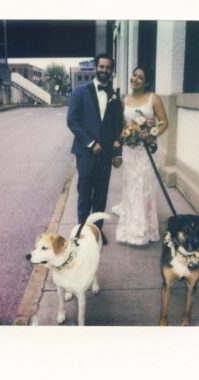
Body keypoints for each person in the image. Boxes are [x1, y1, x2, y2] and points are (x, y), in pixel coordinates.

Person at [66, 53, 125, 244]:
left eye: (108, 68)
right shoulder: (80, 91)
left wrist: (117, 153)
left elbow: (118, 127)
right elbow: (72, 121)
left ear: (111, 70)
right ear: (95, 67)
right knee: (84, 193)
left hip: (106, 154)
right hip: (85, 153)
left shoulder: (114, 97)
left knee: (101, 195)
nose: (104, 70)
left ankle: (96, 232)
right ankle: (81, 232)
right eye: (101, 67)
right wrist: (91, 143)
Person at [112, 66, 168, 245]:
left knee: (144, 188)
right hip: (130, 150)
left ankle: (145, 229)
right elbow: (122, 127)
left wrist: (151, 135)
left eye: (140, 77)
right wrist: (122, 142)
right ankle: (131, 229)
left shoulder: (154, 98)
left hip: (145, 151)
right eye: (134, 75)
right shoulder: (124, 100)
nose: (135, 79)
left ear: (147, 82)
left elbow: (164, 122)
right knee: (131, 188)